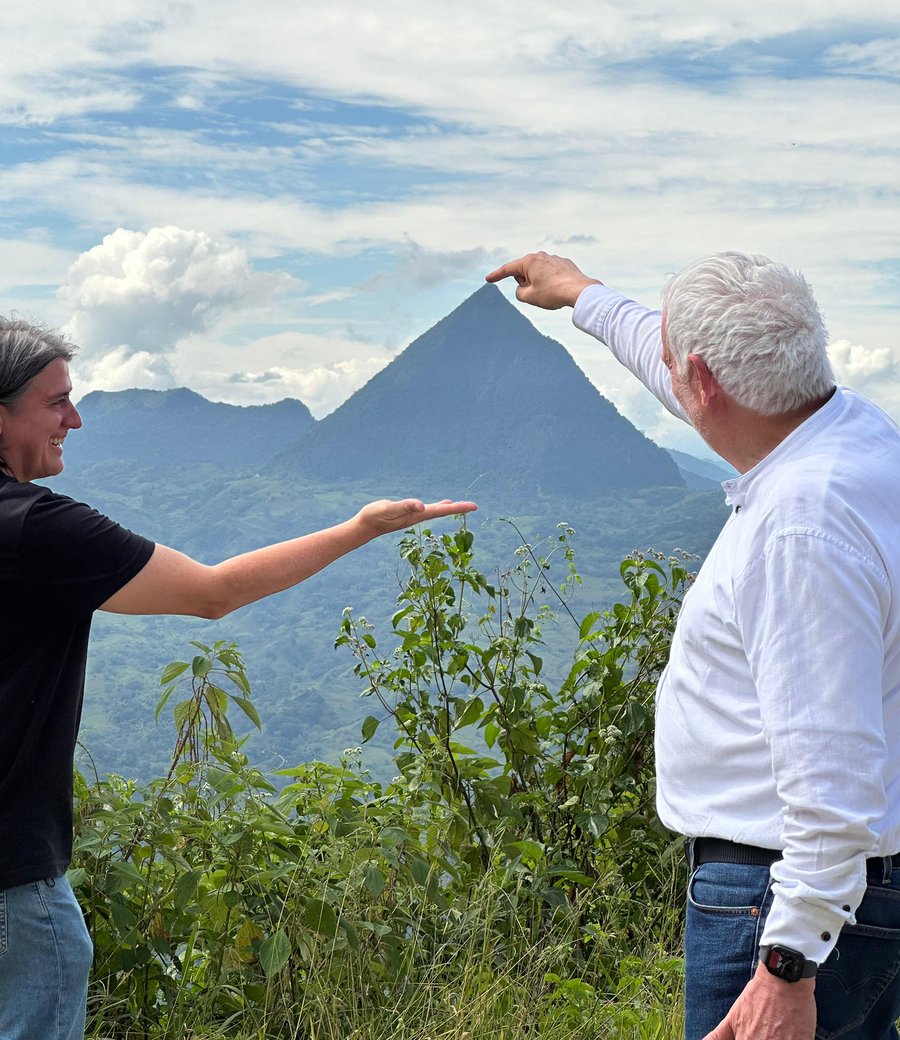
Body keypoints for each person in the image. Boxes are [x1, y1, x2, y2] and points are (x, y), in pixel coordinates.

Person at [0, 315, 476, 1040]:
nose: (76, 418)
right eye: (55, 401)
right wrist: (360, 529)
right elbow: (213, 592)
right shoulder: (36, 527)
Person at [486, 251, 900, 1040]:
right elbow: (675, 361)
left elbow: (833, 775)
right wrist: (583, 295)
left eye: (682, 367)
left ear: (703, 380)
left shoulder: (800, 526)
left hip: (777, 899)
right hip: (847, 893)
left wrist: (787, 965)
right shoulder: (845, 429)